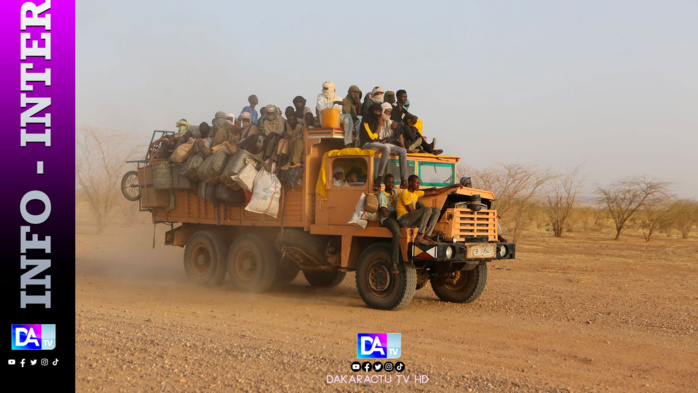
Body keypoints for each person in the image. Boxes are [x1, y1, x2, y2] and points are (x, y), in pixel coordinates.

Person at [396, 175, 461, 245]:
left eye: (419, 183)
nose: (418, 185)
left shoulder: (416, 193)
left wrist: (451, 186)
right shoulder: (405, 193)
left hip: (411, 218)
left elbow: (435, 192)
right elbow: (412, 211)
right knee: (427, 210)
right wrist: (425, 216)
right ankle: (419, 236)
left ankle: (427, 235)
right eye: (416, 183)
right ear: (410, 183)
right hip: (403, 219)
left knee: (436, 211)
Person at [360, 102, 409, 192]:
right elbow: (372, 138)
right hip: (367, 144)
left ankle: (404, 180)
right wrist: (379, 125)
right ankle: (379, 178)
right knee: (386, 148)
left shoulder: (384, 121)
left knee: (402, 151)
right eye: (376, 111)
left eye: (379, 111)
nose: (378, 113)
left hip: (379, 144)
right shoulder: (366, 121)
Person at [391, 90, 442, 155]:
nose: (405, 99)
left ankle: (429, 149)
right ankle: (419, 147)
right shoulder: (393, 106)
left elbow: (406, 120)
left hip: (404, 130)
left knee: (415, 130)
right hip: (396, 130)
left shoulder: (403, 110)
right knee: (406, 128)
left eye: (406, 97)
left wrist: (413, 125)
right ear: (398, 97)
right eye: (403, 97)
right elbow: (396, 121)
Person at [316, 81, 355, 146]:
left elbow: (338, 111)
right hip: (325, 119)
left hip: (336, 119)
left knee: (348, 116)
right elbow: (321, 108)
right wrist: (334, 103)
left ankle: (348, 142)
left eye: (325, 88)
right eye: (323, 88)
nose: (323, 90)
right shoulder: (320, 96)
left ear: (331, 89)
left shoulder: (338, 97)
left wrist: (334, 104)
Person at [378, 174, 401, 274]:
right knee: (396, 232)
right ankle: (394, 263)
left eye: (392, 182)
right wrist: (396, 212)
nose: (390, 184)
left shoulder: (395, 192)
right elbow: (385, 213)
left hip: (396, 216)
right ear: (384, 183)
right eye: (388, 182)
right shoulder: (382, 195)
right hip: (387, 219)